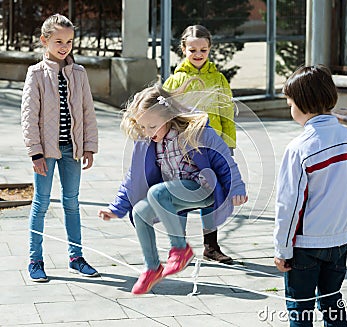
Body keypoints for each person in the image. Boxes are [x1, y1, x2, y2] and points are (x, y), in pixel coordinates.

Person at [98, 81, 247, 295]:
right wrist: (117, 207)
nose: (148, 132)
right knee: (140, 212)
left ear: (168, 117)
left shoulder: (196, 132)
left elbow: (225, 160)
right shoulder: (146, 141)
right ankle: (152, 268)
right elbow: (133, 176)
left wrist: (237, 187)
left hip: (202, 189)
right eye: (142, 126)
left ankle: (180, 249)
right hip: (173, 193)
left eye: (152, 126)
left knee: (157, 192)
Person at [273, 65, 347, 326]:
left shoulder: (299, 149)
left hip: (305, 245)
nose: (290, 108)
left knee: (300, 308)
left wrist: (282, 248)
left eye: (290, 102)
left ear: (303, 104)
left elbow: (288, 205)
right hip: (339, 239)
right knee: (332, 301)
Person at [21, 14, 99, 282]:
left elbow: (88, 112)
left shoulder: (79, 73)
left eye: (69, 41)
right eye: (58, 41)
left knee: (72, 203)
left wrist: (89, 146)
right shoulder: (36, 74)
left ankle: (76, 258)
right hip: (45, 152)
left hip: (72, 151)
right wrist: (35, 152)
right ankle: (35, 260)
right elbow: (29, 116)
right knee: (41, 203)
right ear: (44, 41)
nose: (64, 46)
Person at [163, 24, 236, 263]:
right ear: (183, 48)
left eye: (203, 49)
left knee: (212, 195)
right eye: (193, 49)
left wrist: (229, 145)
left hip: (213, 150)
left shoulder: (218, 79)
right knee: (180, 197)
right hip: (183, 150)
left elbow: (227, 114)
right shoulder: (174, 81)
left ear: (210, 49)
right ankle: (178, 248)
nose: (198, 54)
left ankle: (211, 246)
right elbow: (165, 116)